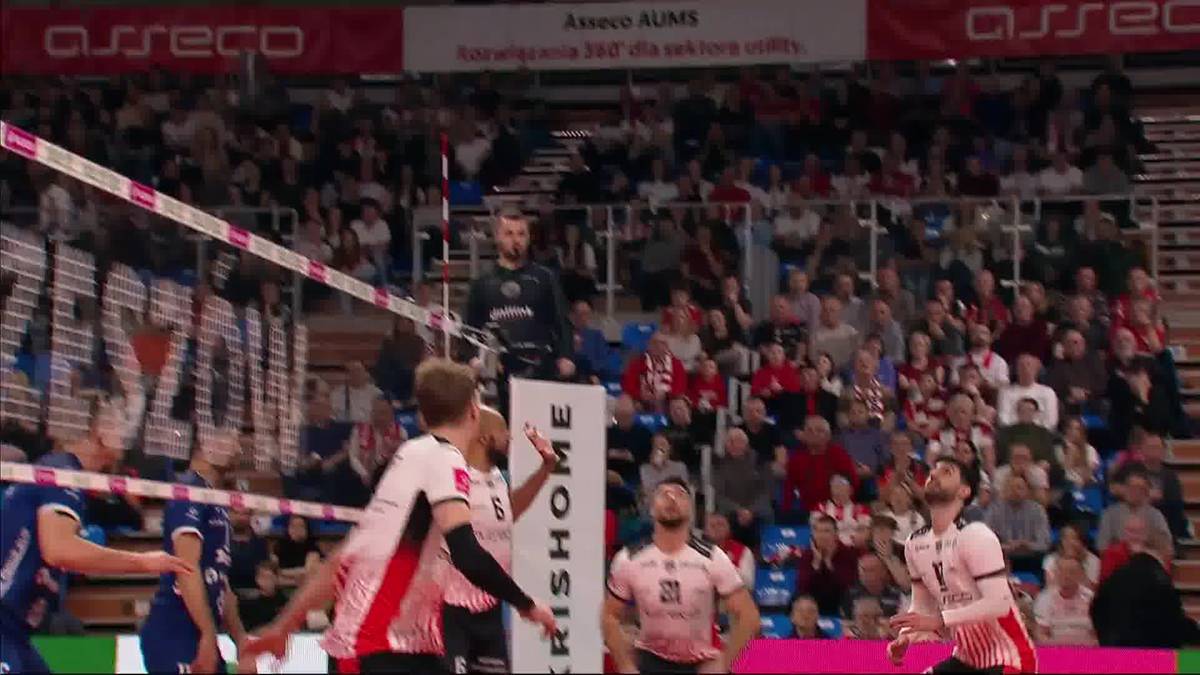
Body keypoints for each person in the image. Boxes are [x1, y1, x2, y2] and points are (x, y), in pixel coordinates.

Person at [243, 359, 556, 673]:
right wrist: (527, 605)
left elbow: (342, 559)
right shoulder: (443, 461)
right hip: (392, 645)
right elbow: (467, 553)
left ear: (422, 416)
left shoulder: (411, 457)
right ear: (473, 412)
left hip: (398, 644)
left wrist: (284, 625)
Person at [0, 398, 190, 674]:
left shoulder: (66, 474)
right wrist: (144, 562)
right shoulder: (62, 471)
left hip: (15, 633)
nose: (127, 434)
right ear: (99, 430)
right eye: (120, 423)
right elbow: (59, 549)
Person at [888, 456, 1038, 674]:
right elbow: (922, 605)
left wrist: (939, 621)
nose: (934, 474)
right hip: (967, 658)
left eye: (946, 472)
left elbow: (999, 604)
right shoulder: (915, 543)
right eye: (933, 471)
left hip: (1009, 657)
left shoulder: (976, 535)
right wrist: (906, 636)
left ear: (964, 491)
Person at [442, 406, 559, 675]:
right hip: (452, 609)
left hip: (489, 608)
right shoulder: (455, 477)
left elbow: (508, 512)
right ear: (484, 437)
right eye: (503, 431)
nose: (509, 437)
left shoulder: (496, 476)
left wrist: (546, 469)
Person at [603, 478, 761, 674]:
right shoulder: (629, 558)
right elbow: (609, 615)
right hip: (649, 661)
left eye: (679, 494)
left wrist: (725, 664)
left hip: (701, 662)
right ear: (651, 508)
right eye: (664, 494)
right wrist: (625, 665)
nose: (672, 499)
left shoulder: (713, 557)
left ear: (691, 510)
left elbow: (749, 617)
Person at [140, 430, 251, 673]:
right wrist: (208, 634)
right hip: (174, 633)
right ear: (208, 441)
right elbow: (186, 568)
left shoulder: (215, 500)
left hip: (201, 634)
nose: (239, 450)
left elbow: (221, 582)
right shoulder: (188, 489)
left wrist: (241, 639)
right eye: (232, 441)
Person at [465, 208, 574, 407]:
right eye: (509, 233)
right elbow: (470, 327)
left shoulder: (545, 278)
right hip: (497, 373)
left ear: (529, 238)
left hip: (540, 370)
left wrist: (566, 356)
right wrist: (473, 358)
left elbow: (562, 322)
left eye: (521, 234)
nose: (516, 240)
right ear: (497, 237)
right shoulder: (482, 282)